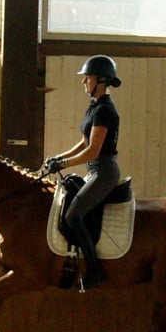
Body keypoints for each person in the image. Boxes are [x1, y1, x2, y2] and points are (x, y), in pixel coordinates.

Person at [44, 55, 122, 290]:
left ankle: (95, 270)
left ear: (100, 80)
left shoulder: (105, 110)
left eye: (87, 78)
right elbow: (83, 142)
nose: (83, 82)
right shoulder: (94, 107)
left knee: (73, 215)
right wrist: (60, 157)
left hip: (104, 171)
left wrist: (65, 165)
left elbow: (93, 151)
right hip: (95, 170)